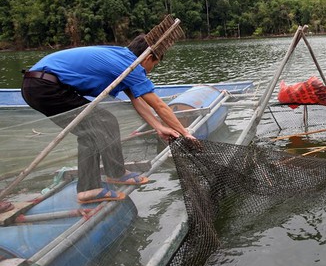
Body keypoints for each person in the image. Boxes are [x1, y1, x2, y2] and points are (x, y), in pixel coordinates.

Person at [21, 35, 196, 204]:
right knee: (94, 129)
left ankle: (116, 173)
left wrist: (158, 126)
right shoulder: (129, 65)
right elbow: (159, 105)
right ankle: (89, 189)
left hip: (38, 84)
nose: (149, 71)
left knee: (104, 122)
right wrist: (185, 133)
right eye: (153, 65)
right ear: (148, 58)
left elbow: (138, 101)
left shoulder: (122, 59)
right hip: (44, 86)